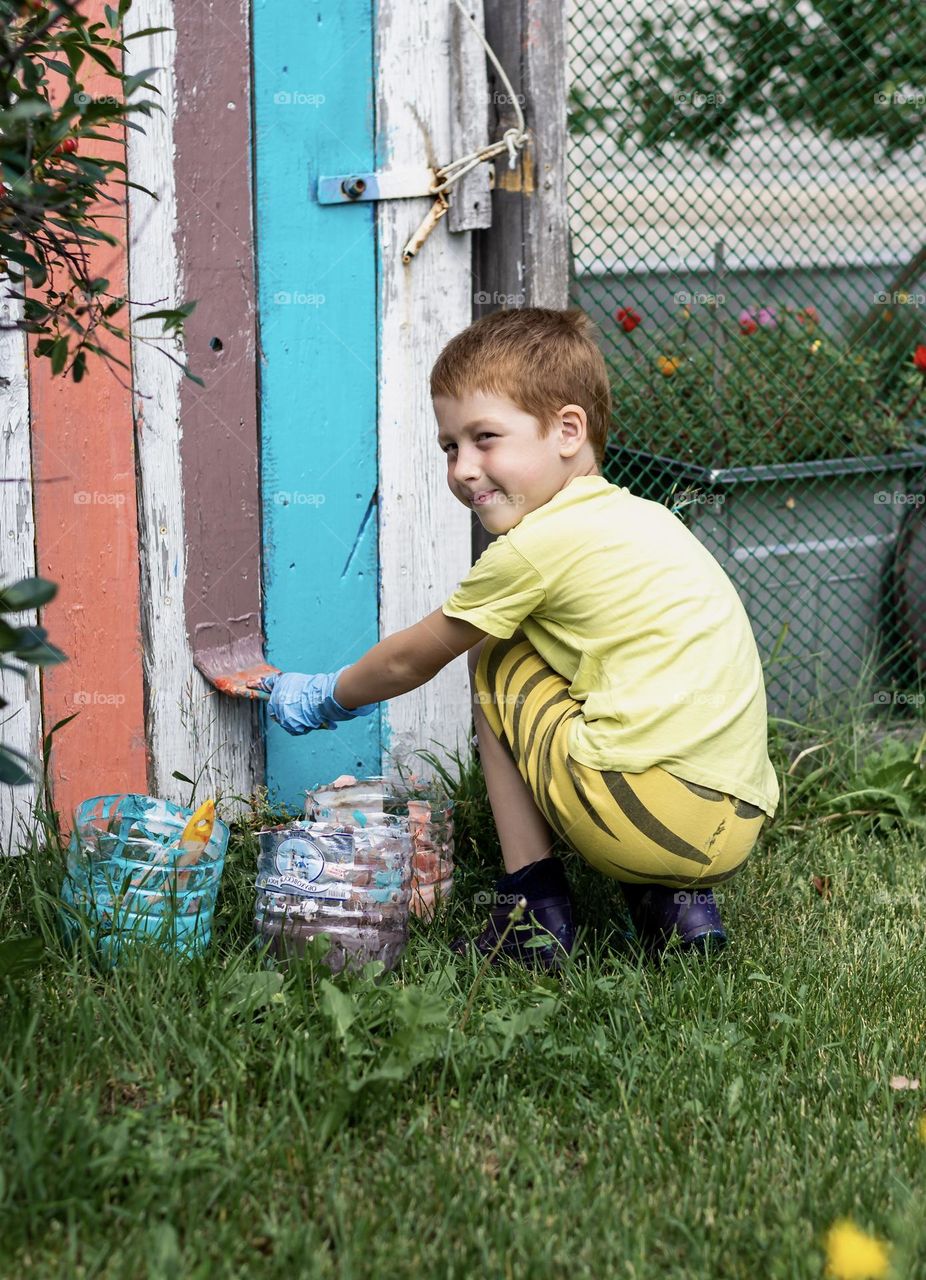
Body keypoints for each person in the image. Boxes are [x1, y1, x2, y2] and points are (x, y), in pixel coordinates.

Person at [259, 307, 780, 971]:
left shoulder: (532, 547)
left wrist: (326, 696)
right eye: (451, 447)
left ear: (567, 430)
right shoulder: (645, 520)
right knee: (607, 691)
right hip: (736, 820)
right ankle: (677, 909)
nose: (464, 468)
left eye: (485, 438)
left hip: (643, 816)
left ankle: (533, 911)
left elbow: (409, 659)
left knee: (492, 651)